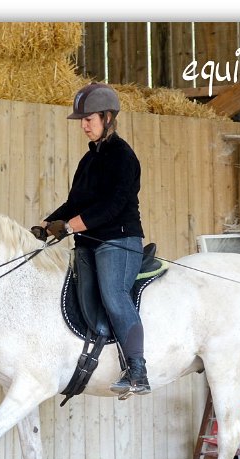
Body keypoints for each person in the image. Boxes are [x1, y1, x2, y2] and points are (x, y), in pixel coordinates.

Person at [38, 82, 150, 396]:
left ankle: (137, 369)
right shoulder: (88, 160)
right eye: (83, 120)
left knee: (114, 295)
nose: (85, 125)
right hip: (88, 243)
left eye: (90, 119)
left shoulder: (123, 157)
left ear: (108, 117)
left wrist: (71, 225)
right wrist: (47, 223)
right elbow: (75, 201)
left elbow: (113, 206)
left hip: (119, 241)